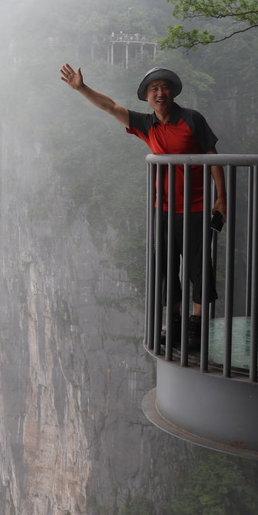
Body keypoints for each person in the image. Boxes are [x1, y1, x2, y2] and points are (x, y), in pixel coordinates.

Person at [59, 63, 227, 349]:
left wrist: (221, 198)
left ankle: (197, 326)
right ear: (147, 96)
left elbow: (213, 157)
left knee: (200, 268)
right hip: (163, 209)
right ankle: (175, 323)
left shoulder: (192, 119)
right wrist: (82, 88)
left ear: (173, 92)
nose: (160, 93)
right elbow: (111, 107)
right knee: (166, 267)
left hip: (197, 208)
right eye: (154, 89)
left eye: (165, 87)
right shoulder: (147, 125)